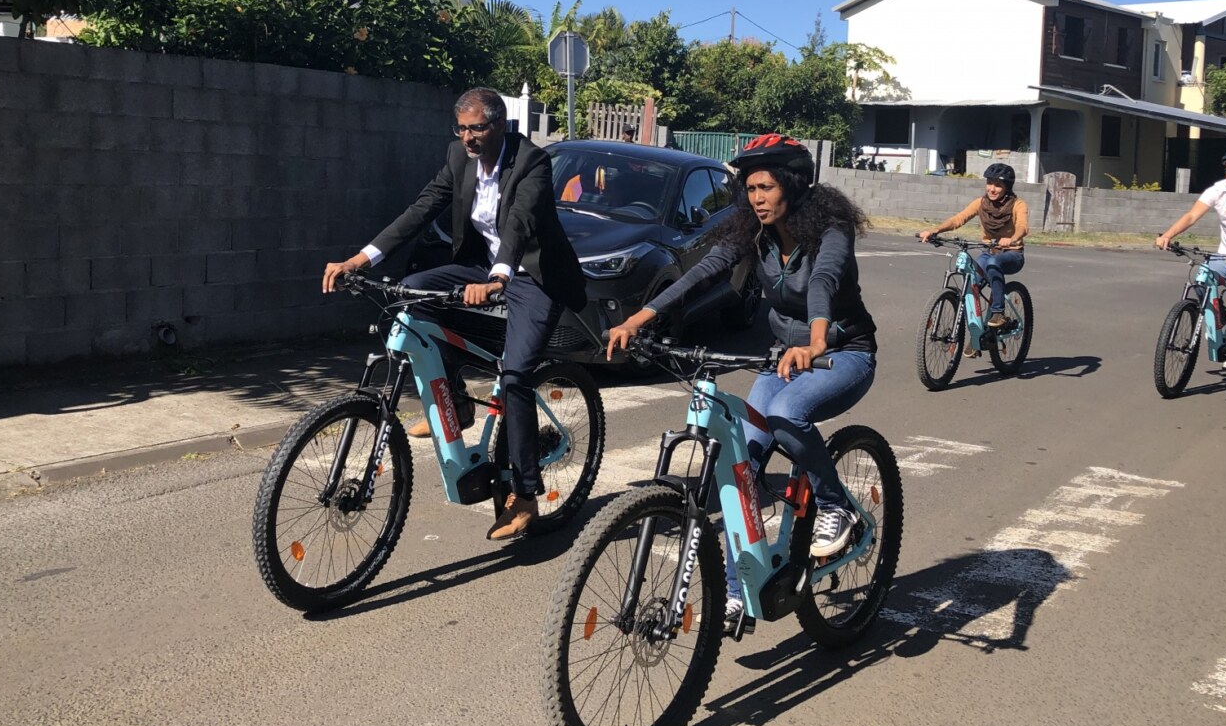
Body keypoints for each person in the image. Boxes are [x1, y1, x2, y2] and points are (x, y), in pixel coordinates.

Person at [605, 134, 877, 630]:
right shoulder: (754, 233)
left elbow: (825, 282)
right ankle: (736, 589)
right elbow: (702, 272)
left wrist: (816, 341)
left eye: (767, 187)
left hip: (842, 355)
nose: (756, 198)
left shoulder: (830, 230)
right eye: (750, 188)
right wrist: (638, 319)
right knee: (741, 464)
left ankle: (835, 506)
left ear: (792, 187)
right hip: (785, 359)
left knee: (786, 414)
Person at [322, 87, 587, 541]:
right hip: (484, 266)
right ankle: (458, 401)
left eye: (477, 128)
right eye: (461, 128)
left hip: (534, 276)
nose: (467, 137)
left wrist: (500, 278)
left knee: (517, 376)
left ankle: (525, 495)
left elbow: (521, 221)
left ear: (500, 125)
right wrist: (360, 260)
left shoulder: (531, 162)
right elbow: (421, 209)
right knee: (413, 293)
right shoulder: (458, 157)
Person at [1154, 148, 1226, 372]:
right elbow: (1192, 215)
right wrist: (1168, 235)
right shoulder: (1218, 189)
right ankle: (1220, 318)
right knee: (1201, 280)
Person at [917, 162, 1027, 352]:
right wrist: (935, 230)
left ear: (1007, 187)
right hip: (989, 251)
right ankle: (979, 333)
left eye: (998, 185)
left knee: (993, 264)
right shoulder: (981, 203)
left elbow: (1023, 227)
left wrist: (1012, 239)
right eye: (990, 183)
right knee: (971, 284)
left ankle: (998, 313)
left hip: (1012, 254)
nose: (992, 189)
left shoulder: (1018, 204)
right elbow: (959, 219)